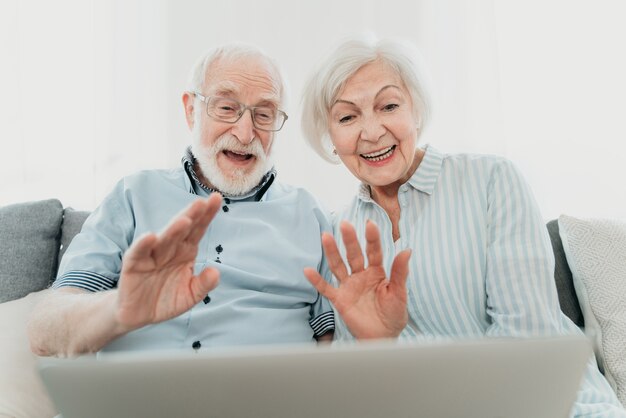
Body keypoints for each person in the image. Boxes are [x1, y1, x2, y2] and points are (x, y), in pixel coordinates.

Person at [300, 34, 626, 415]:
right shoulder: (340, 235)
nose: (371, 132)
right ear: (331, 137)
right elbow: (358, 390)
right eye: (347, 116)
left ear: (416, 110)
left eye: (388, 105)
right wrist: (375, 348)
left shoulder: (491, 181)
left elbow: (526, 345)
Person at [27, 42, 339, 357]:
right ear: (191, 111)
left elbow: (336, 354)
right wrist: (120, 306)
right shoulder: (134, 195)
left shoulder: (310, 215)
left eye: (263, 114)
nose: (245, 133)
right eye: (227, 107)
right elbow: (43, 331)